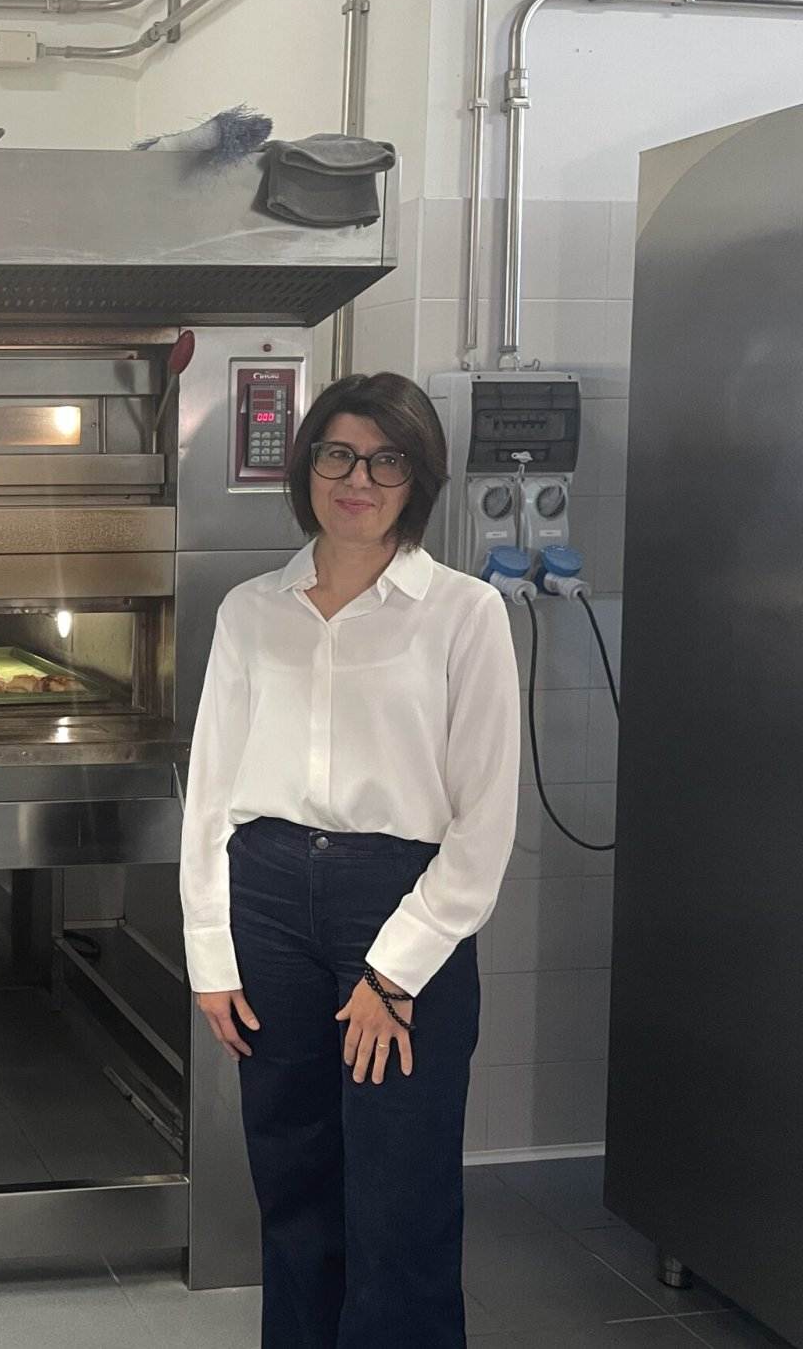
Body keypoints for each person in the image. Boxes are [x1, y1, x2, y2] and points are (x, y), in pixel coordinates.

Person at [178, 371, 519, 1348]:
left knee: (400, 1196)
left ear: (417, 478)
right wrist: (211, 955)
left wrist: (392, 973)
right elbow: (211, 790)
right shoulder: (252, 610)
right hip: (268, 903)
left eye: (384, 460)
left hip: (401, 905)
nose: (357, 479)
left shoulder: (463, 614)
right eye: (337, 455)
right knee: (292, 1183)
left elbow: (483, 820)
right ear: (306, 468)